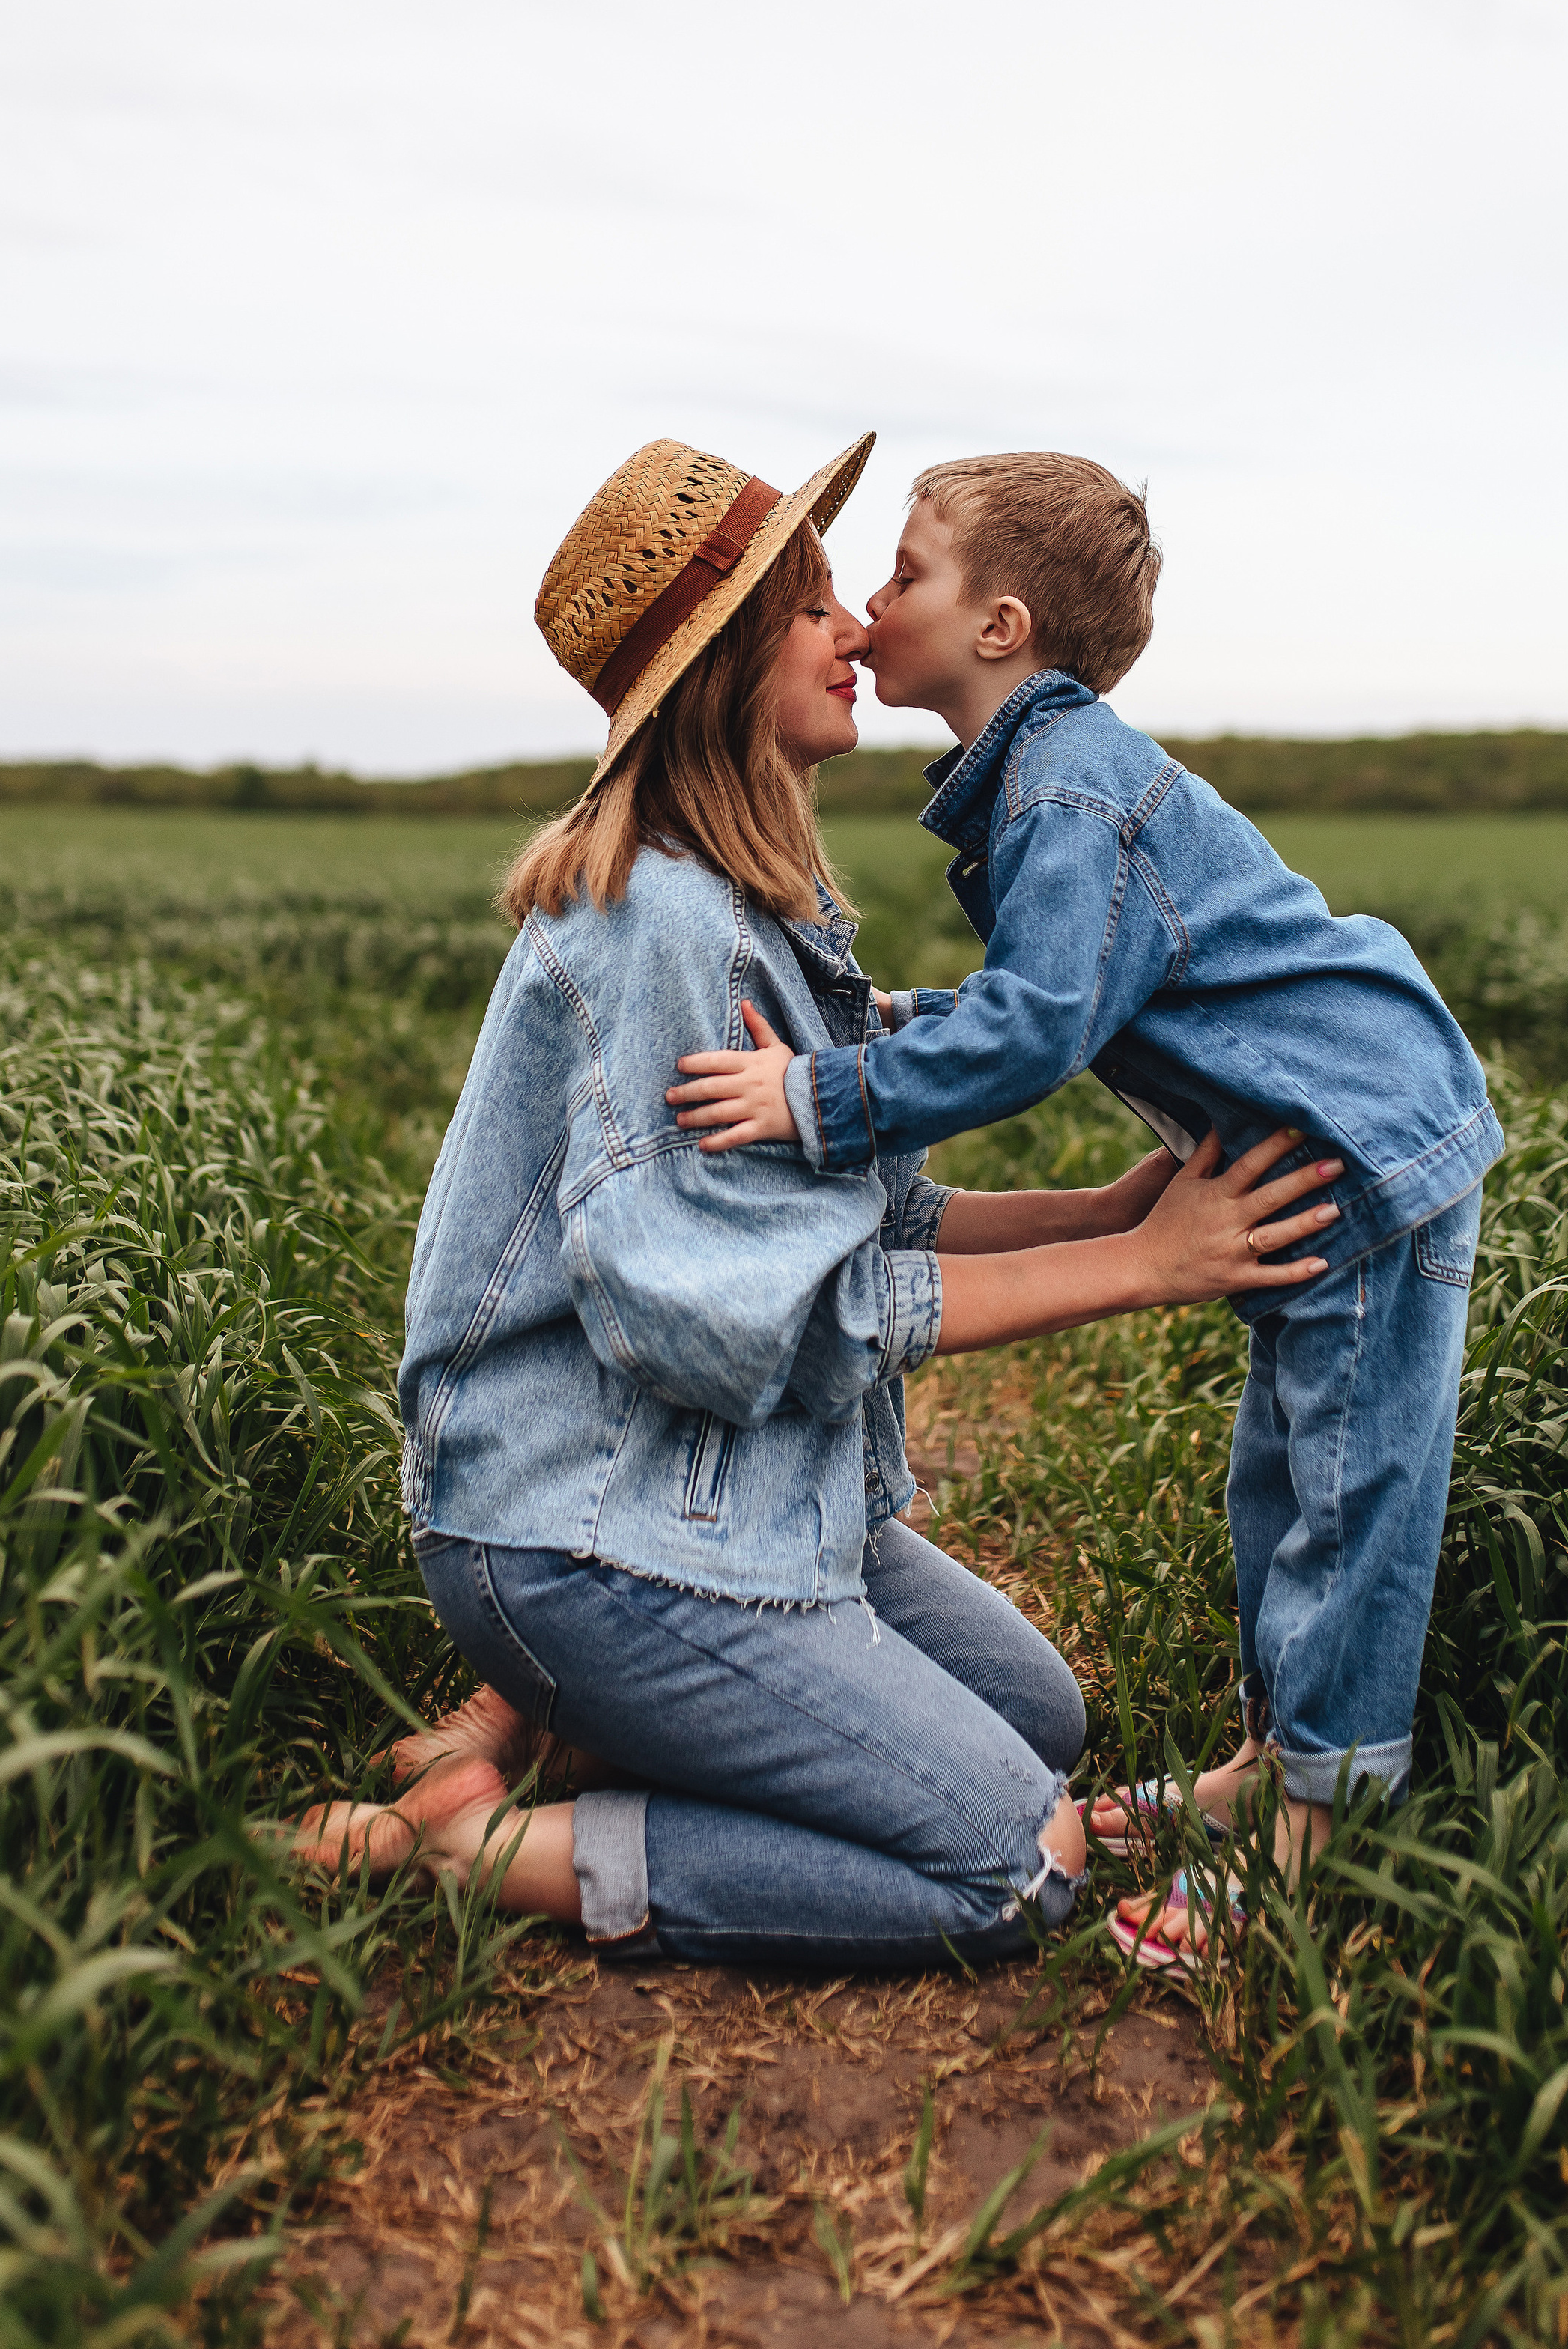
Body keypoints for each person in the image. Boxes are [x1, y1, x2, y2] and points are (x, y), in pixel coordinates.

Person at [297, 433, 1338, 1969]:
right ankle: (471, 1849)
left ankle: (548, 1724)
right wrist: (1144, 1269)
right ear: (723, 663)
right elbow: (765, 1314)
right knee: (1015, 1867)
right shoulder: (661, 929)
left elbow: (864, 1217)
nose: (854, 625)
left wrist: (1099, 1210)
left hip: (721, 1498)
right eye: (807, 607)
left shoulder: (748, 912)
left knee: (1039, 1719)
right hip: (593, 1531)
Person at [667, 451, 1502, 1967]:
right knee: (1285, 1479)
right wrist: (866, 1035)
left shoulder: (1063, 785)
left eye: (902, 573)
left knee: (1347, 1489)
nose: (868, 602)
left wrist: (820, 1099)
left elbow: (1036, 1024)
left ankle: (1325, 1826)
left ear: (997, 627)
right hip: (1313, 1135)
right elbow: (1042, 993)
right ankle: (1269, 1772)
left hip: (1361, 1142)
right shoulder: (1049, 779)